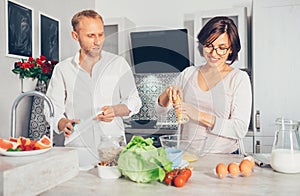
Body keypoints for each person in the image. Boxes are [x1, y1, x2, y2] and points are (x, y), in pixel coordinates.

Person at [45, 10, 142, 169]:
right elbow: (52, 108)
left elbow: (134, 101)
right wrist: (63, 123)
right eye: (91, 36)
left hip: (112, 147)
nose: (98, 41)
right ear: (76, 36)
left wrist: (116, 110)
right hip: (77, 148)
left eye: (101, 34)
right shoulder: (62, 69)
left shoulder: (118, 64)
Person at [156, 16, 252, 154]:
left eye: (222, 48)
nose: (214, 53)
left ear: (231, 49)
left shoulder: (238, 79)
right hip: (187, 155)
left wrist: (198, 115)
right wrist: (167, 92)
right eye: (209, 46)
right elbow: (160, 111)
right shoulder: (188, 73)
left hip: (223, 158)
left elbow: (239, 129)